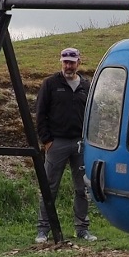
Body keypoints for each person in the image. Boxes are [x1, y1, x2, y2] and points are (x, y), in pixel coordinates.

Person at [34, 47, 95, 243]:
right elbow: (40, 113)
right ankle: (43, 229)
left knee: (82, 188)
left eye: (72, 61)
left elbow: (93, 113)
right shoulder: (50, 83)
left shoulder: (86, 85)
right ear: (61, 62)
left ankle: (82, 228)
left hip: (80, 143)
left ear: (79, 62)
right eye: (65, 62)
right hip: (57, 142)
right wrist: (47, 140)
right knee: (49, 187)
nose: (68, 65)